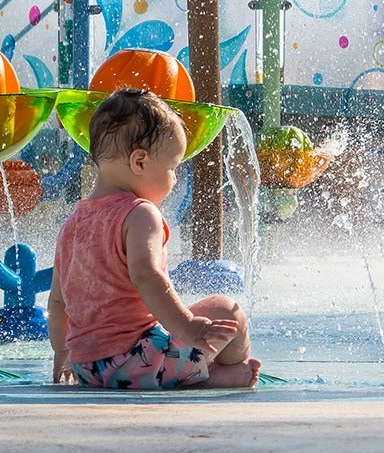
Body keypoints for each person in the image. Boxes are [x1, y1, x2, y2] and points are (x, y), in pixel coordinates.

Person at [48, 88, 262, 389]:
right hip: (137, 360)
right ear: (139, 163)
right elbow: (146, 276)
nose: (174, 179)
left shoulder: (73, 222)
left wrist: (63, 352)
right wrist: (186, 326)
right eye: (173, 167)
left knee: (171, 328)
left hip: (87, 368)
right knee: (227, 310)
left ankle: (191, 371)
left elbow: (57, 301)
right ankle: (223, 372)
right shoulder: (139, 213)